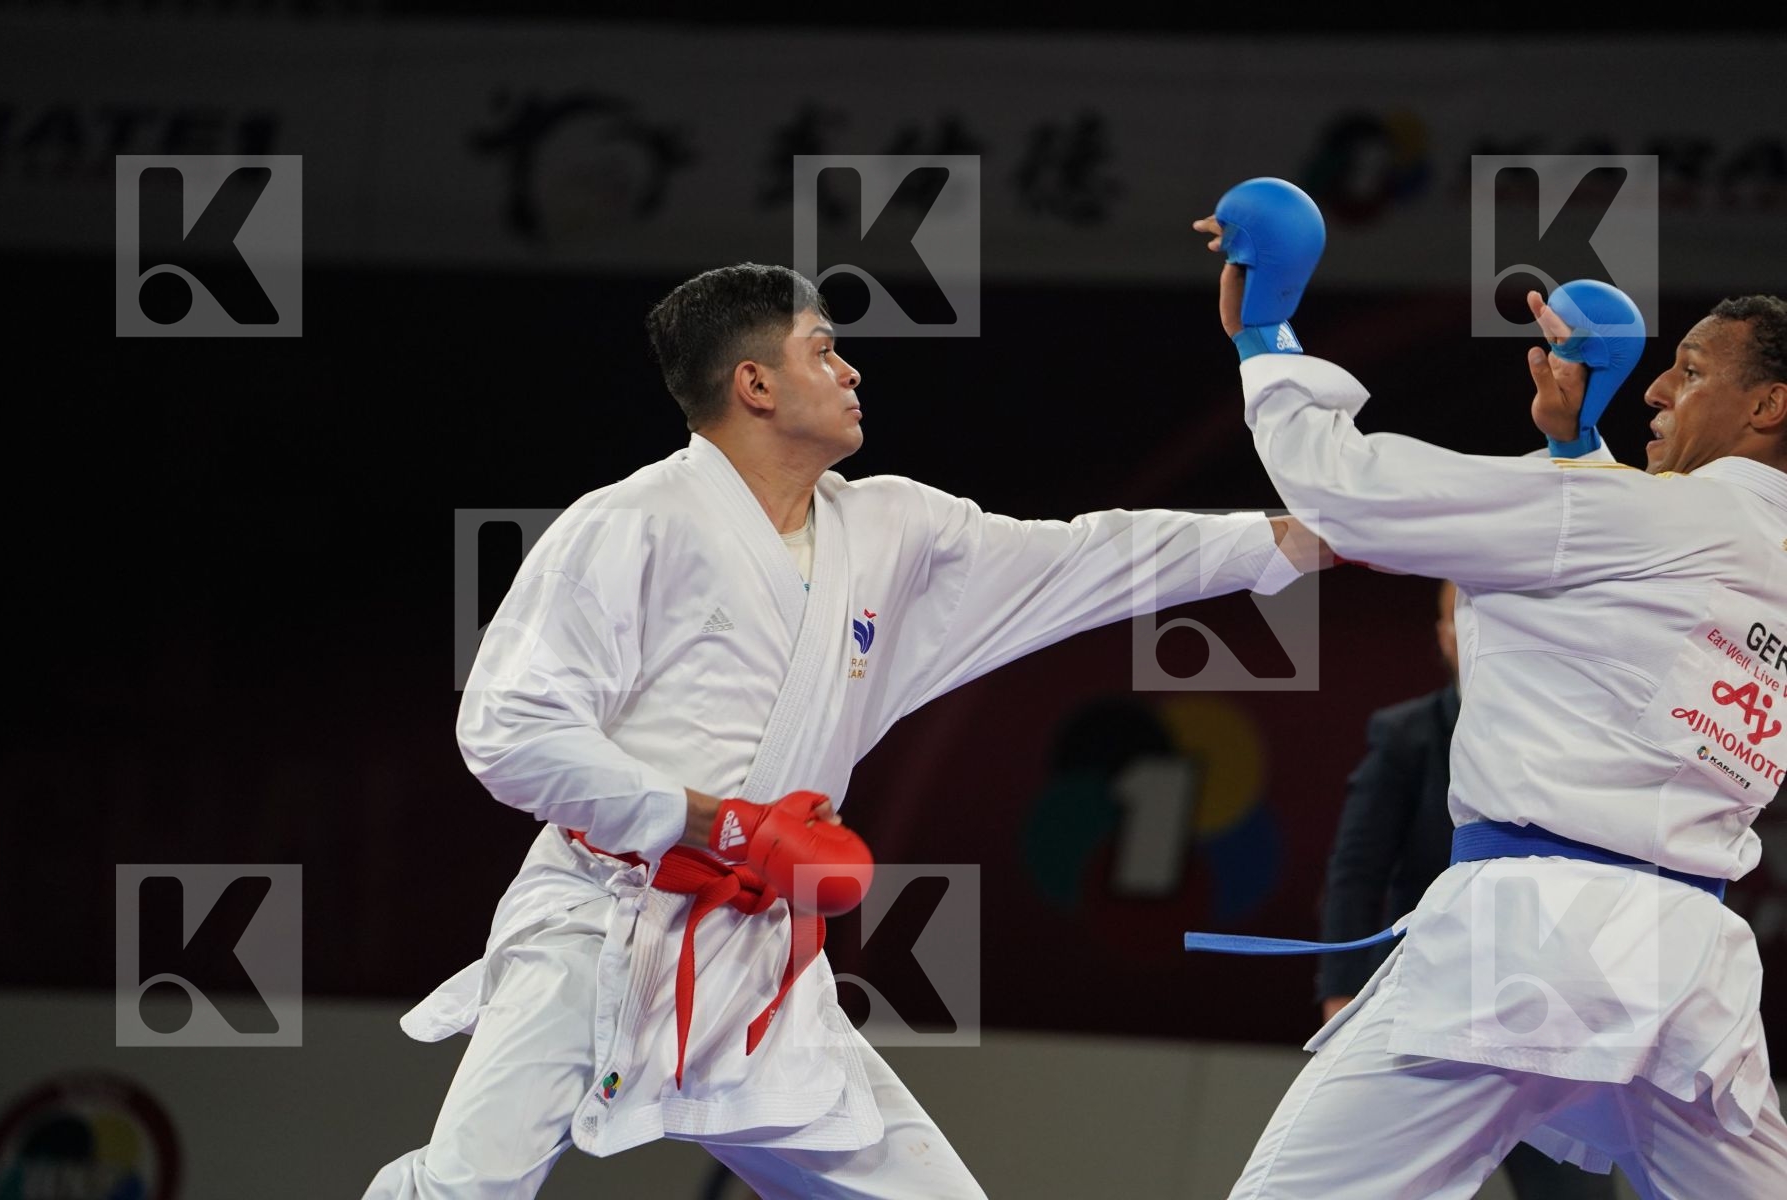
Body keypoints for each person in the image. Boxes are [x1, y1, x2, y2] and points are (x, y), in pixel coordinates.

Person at [364, 262, 1328, 1199]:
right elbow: (508, 732)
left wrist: (1305, 534)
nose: (851, 370)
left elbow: (1092, 558)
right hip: (599, 922)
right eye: (824, 350)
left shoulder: (893, 532)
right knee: (465, 1187)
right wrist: (720, 824)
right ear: (754, 384)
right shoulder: (630, 524)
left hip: (759, 953)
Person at [1192, 186, 1787, 1198]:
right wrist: (1573, 453)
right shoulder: (1734, 541)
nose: (1654, 392)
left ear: (1769, 407)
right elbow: (1626, 634)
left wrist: (1266, 336)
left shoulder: (1643, 519)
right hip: (1687, 976)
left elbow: (1349, 489)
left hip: (1528, 945)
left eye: (1688, 374)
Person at [1317, 579, 1618, 1200]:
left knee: (1570, 1191)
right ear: (1444, 637)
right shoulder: (1407, 735)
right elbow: (1356, 871)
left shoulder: (1564, 732)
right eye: (1461, 616)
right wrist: (1341, 991)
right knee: (1374, 1180)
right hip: (1421, 989)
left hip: (1539, 998)